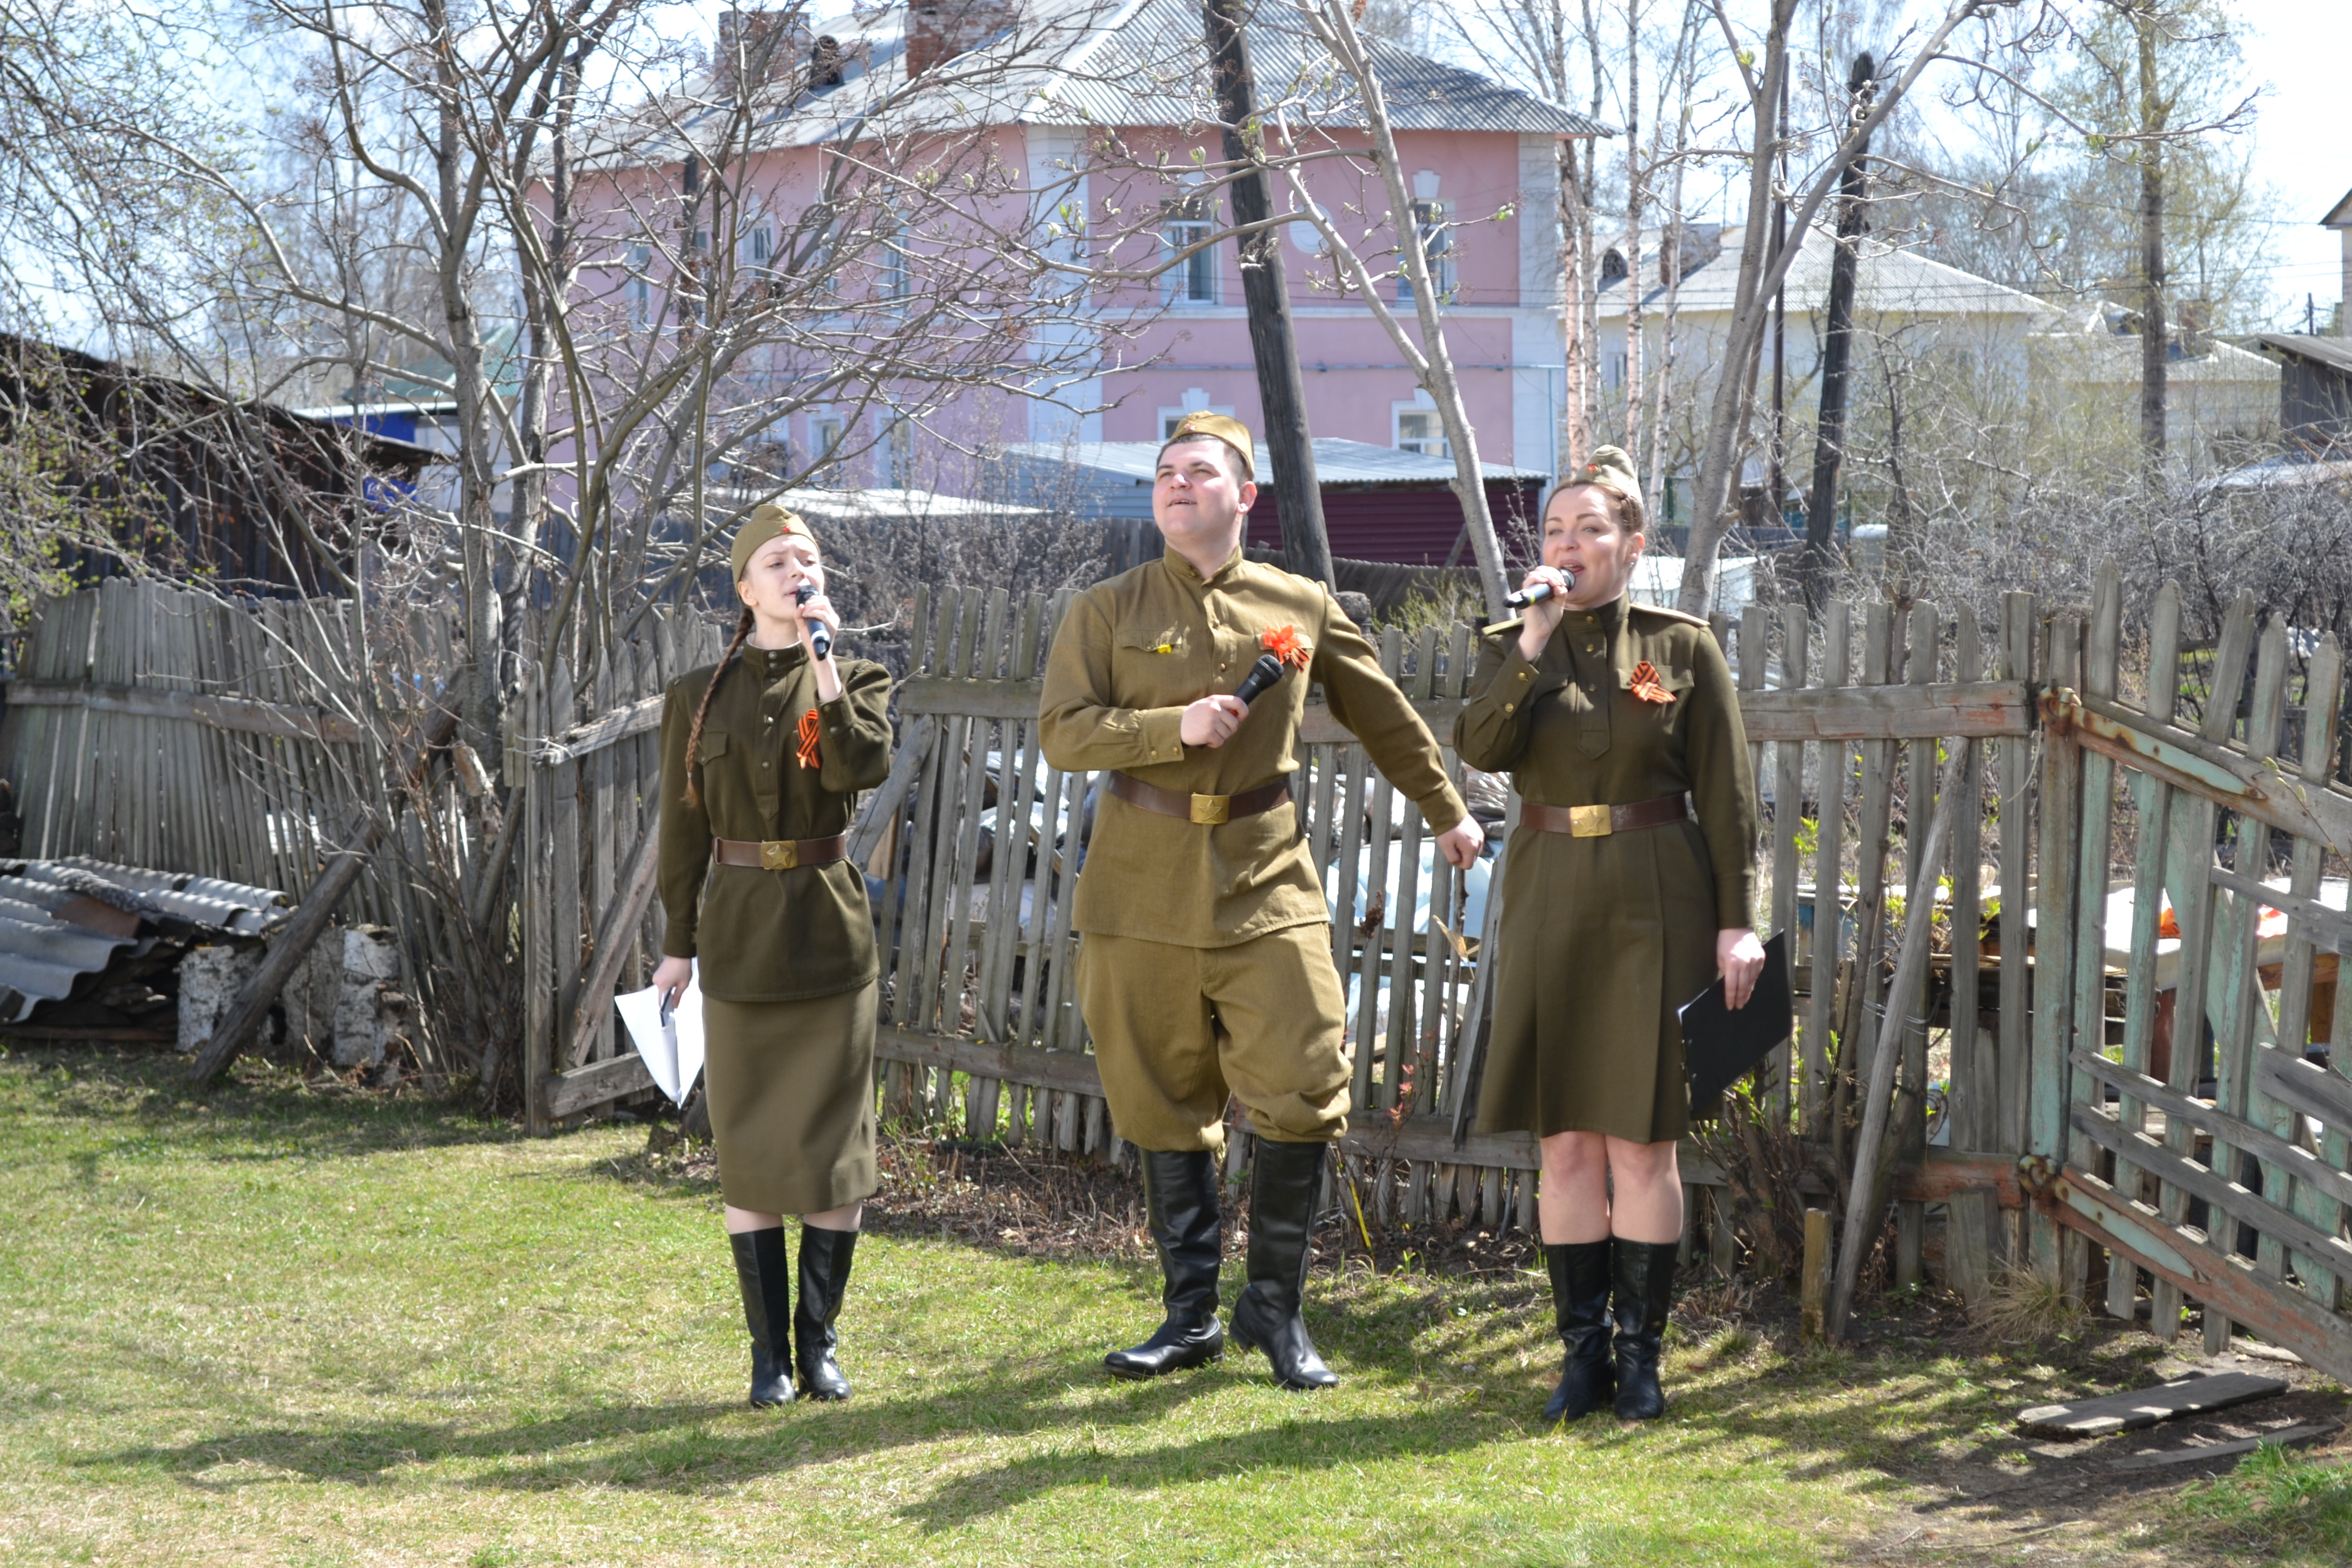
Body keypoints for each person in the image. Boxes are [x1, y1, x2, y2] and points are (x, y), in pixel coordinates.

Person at [1039, 411, 1484, 1391]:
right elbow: (1064, 736)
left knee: (1302, 1078)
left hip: (1265, 875)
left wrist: (1447, 809)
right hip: (1138, 885)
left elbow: (1382, 713)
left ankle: (1273, 1310)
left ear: (1245, 497)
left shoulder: (1300, 603)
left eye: (1199, 472)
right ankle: (1189, 1316)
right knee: (1160, 1100)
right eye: (1164, 473)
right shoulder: (1106, 609)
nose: (1175, 485)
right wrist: (1172, 725)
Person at [1454, 447, 1762, 1423]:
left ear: (1632, 546)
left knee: (1644, 1144)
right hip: (1549, 896)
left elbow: (1727, 797)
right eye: (1554, 530)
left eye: (1591, 530)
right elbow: (1482, 747)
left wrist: (1738, 925)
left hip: (1655, 898)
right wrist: (1532, 641)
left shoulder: (1680, 649)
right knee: (1567, 1147)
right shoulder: (1515, 642)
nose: (1569, 545)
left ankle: (1643, 1360)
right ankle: (1580, 1357)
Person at [651, 503, 894, 1407]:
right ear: (745, 586)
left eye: (811, 560)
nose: (800, 572)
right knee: (749, 1144)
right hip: (740, 934)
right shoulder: (694, 696)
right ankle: (767, 1357)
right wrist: (679, 947)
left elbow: (854, 768)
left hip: (831, 932)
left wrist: (823, 658)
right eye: (781, 562)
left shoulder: (858, 674)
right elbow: (681, 831)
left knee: (834, 1145)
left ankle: (819, 1343)